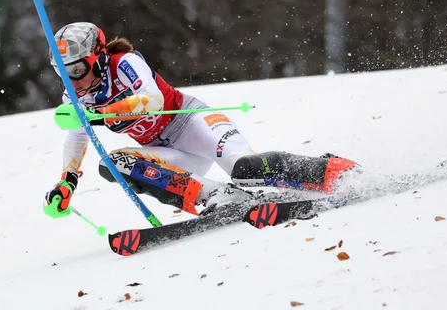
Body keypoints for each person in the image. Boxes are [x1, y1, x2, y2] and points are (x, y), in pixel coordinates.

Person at [44, 22, 359, 217]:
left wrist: (99, 113)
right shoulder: (76, 96)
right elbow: (77, 134)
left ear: (97, 58)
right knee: (113, 164)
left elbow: (152, 101)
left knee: (245, 169)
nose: (72, 81)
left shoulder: (123, 63)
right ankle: (218, 198)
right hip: (168, 153)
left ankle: (332, 171)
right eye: (62, 72)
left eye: (76, 70)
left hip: (193, 123)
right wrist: (67, 180)